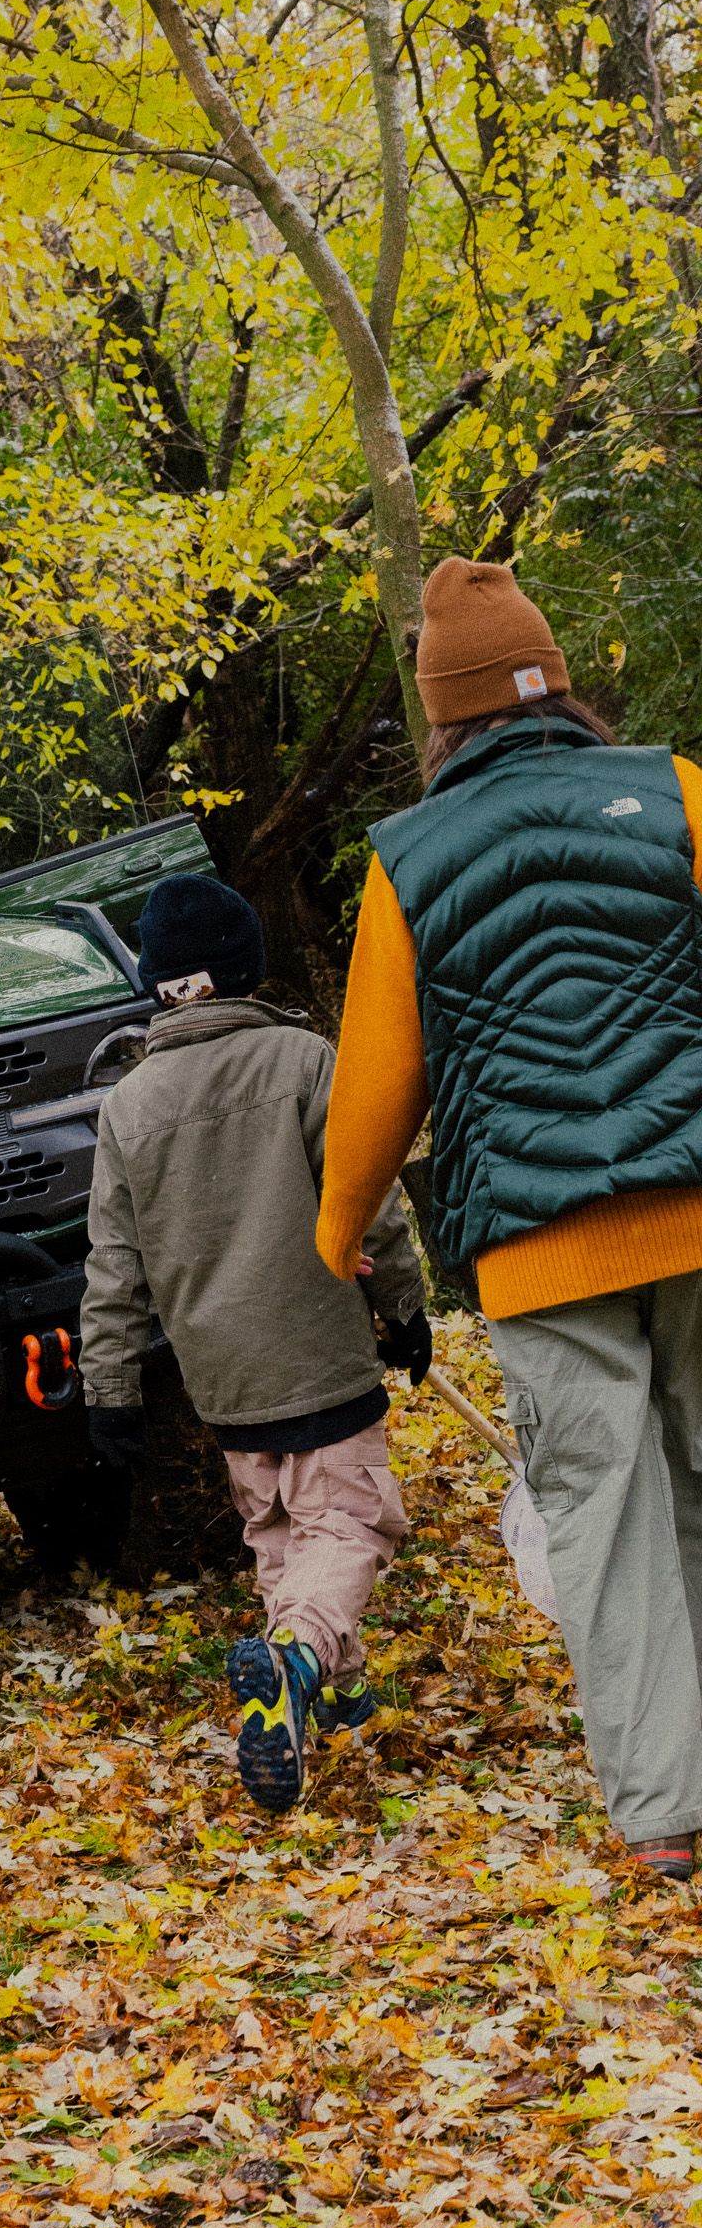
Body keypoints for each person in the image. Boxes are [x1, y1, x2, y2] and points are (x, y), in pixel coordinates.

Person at [317, 555, 702, 1882]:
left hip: (538, 1243)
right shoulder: (678, 793)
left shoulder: (409, 858)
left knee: (601, 1503)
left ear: (443, 715)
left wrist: (340, 1230)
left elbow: (376, 1079)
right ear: (562, 689)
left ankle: (663, 1811)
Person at [79, 872, 430, 1811]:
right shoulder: (303, 1061)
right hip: (315, 1346)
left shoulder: (127, 1107)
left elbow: (113, 1269)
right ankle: (300, 1662)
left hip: (223, 1379)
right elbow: (373, 1200)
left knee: (278, 1537)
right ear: (243, 967)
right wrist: (404, 1308)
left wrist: (107, 1390)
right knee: (350, 1523)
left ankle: (332, 1702)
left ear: (158, 982)